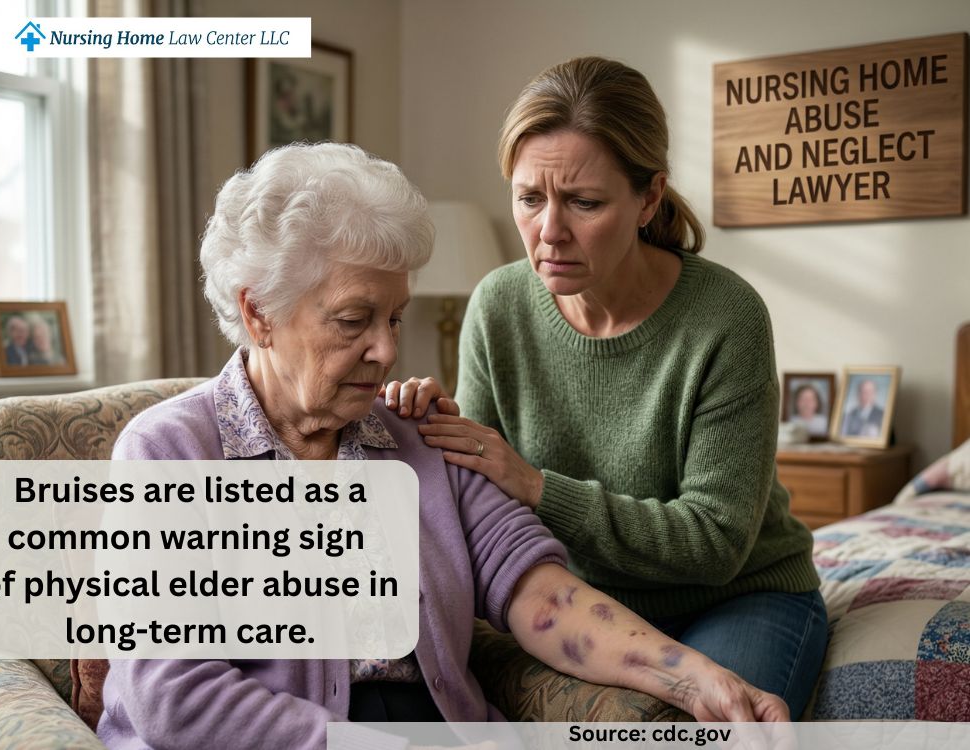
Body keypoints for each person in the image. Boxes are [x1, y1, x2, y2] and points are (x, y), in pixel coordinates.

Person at [98, 143, 787, 750]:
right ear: (258, 314)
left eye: (395, 317)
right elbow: (173, 695)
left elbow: (542, 595)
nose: (388, 350)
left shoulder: (415, 436)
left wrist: (698, 681)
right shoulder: (167, 453)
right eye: (353, 320)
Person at [385, 57, 827, 719]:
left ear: (649, 198)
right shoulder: (497, 306)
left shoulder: (726, 318)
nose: (548, 231)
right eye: (529, 198)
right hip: (581, 602)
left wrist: (537, 486)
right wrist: (428, 427)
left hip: (739, 596)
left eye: (584, 202)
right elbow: (483, 510)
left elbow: (713, 544)